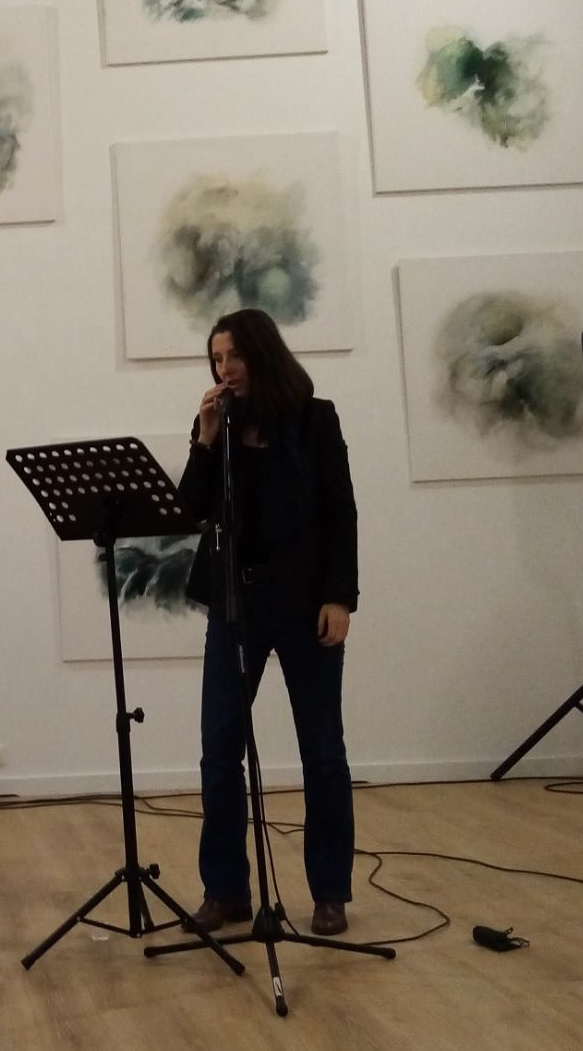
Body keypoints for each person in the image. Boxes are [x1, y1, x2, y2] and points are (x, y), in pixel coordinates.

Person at [176, 309, 358, 938]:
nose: (223, 371)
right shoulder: (219, 427)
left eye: (232, 358)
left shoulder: (314, 418)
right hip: (235, 607)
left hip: (307, 605)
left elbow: (341, 512)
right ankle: (225, 890)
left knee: (323, 752)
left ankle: (330, 892)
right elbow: (191, 509)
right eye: (215, 360)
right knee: (219, 751)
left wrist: (341, 598)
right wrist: (203, 439)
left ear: (261, 355)